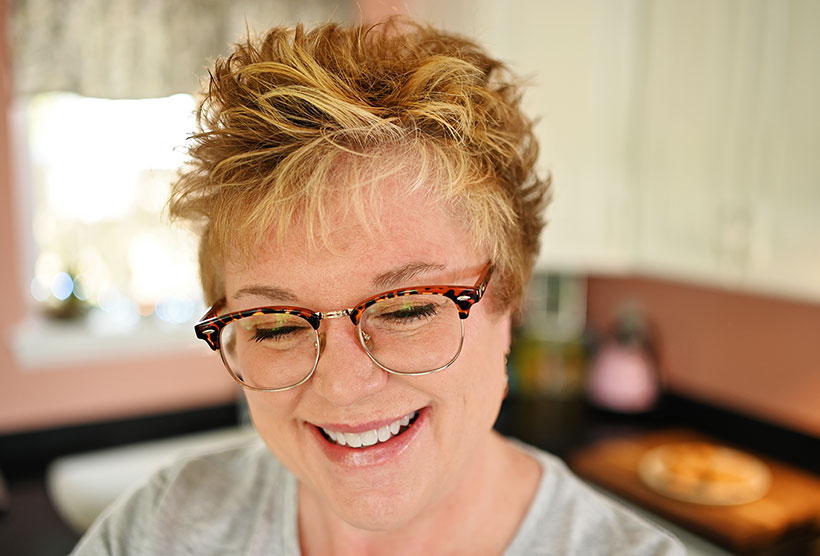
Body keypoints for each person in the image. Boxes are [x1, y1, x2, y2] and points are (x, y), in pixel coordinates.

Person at [72, 18, 684, 555]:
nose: (341, 387)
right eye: (277, 323)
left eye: (409, 310)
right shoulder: (160, 527)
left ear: (509, 308)